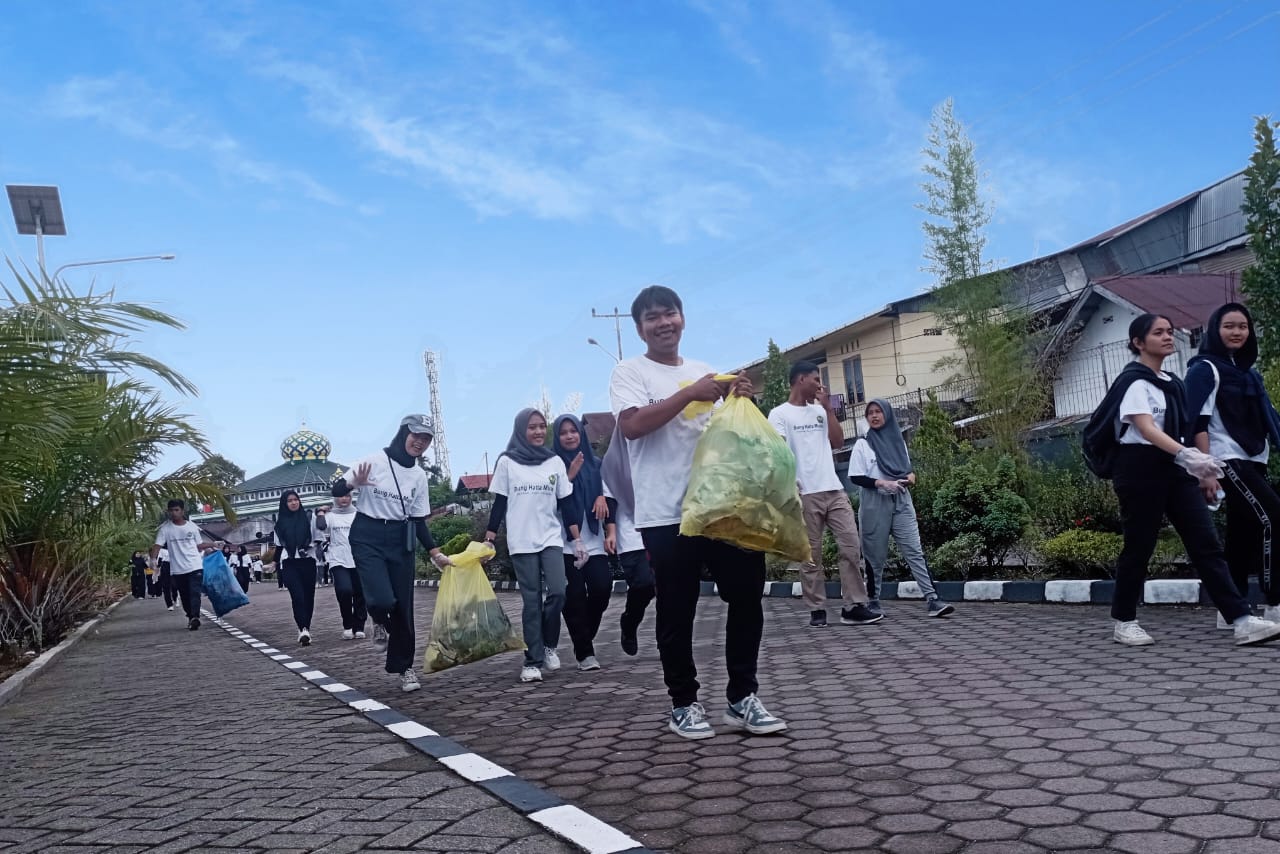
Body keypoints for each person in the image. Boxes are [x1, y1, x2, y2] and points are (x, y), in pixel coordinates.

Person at [610, 285, 787, 740]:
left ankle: (741, 696)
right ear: (640, 328)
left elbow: (727, 433)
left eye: (670, 313)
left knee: (747, 594)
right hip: (664, 511)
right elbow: (631, 427)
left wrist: (739, 395)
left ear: (682, 318)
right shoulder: (630, 372)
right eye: (653, 318)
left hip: (721, 506)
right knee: (677, 607)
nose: (663, 323)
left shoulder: (706, 370)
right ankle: (683, 703)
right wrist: (692, 394)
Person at [1093, 312, 1280, 647]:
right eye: (1158, 333)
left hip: (1176, 469)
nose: (1167, 337)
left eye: (1169, 331)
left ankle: (1239, 619)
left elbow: (1183, 428)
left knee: (1205, 544)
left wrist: (1200, 471)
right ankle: (1124, 620)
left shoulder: (1173, 382)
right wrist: (1187, 455)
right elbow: (1146, 428)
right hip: (1139, 469)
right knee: (1139, 546)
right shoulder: (1134, 381)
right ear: (1139, 342)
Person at [1186, 303, 1280, 627]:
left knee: (1244, 533)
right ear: (1215, 330)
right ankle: (1275, 603)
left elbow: (1269, 418)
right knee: (1273, 518)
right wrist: (1205, 470)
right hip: (1226, 459)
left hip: (1254, 458)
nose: (1237, 332)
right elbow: (1195, 422)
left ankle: (1232, 612)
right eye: (1229, 326)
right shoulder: (1204, 369)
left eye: (1243, 326)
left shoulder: (1249, 374)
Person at [769, 361, 882, 628]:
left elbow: (838, 442)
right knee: (811, 555)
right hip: (804, 492)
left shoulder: (820, 411)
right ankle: (817, 608)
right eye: (815, 379)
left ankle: (853, 606)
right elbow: (779, 452)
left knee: (851, 547)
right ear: (800, 380)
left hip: (833, 489)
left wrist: (829, 409)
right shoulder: (779, 414)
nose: (820, 385)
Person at [346, 414, 453, 693]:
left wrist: (435, 552)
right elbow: (336, 489)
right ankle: (378, 618)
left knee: (404, 607)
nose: (420, 442)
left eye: (426, 438)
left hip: (399, 539)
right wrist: (350, 485)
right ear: (403, 432)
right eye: (415, 435)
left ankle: (405, 667)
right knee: (381, 599)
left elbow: (418, 520)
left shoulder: (418, 476)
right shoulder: (375, 461)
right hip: (367, 534)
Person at [485, 409, 580, 683]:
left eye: (541, 427)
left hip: (550, 537)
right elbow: (500, 504)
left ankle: (549, 644)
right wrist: (490, 537)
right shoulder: (507, 462)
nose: (538, 432)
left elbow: (566, 503)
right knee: (531, 601)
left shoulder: (555, 462)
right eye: (532, 427)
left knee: (559, 591)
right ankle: (532, 661)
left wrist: (578, 539)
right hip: (521, 541)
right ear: (520, 431)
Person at [849, 399, 956, 618]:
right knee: (874, 556)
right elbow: (856, 476)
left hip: (901, 500)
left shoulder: (899, 441)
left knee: (914, 550)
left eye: (879, 412)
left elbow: (906, 469)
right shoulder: (863, 444)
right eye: (871, 413)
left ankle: (933, 600)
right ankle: (874, 601)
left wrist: (910, 477)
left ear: (887, 415)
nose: (875, 416)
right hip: (874, 502)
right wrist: (881, 483)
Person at [552, 414, 615, 671]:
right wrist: (568, 476)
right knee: (574, 595)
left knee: (602, 588)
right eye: (563, 432)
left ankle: (583, 637)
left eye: (573, 431)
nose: (569, 436)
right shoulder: (552, 466)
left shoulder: (596, 464)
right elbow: (548, 502)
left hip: (593, 540)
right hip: (563, 541)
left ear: (580, 434)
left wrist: (601, 497)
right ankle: (585, 653)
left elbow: (610, 497)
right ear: (557, 438)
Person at [600, 421, 654, 657]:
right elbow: (609, 499)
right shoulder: (613, 463)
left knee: (668, 588)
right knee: (643, 584)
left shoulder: (654, 455)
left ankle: (670, 644)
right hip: (630, 536)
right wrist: (610, 532)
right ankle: (629, 622)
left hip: (659, 529)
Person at [150, 500, 220, 630]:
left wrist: (212, 544)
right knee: (184, 595)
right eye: (171, 510)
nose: (174, 513)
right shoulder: (165, 529)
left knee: (195, 592)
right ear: (168, 512)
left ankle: (195, 617)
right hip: (177, 569)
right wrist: (153, 559)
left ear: (182, 511)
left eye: (176, 510)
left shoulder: (192, 527)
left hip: (195, 565)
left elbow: (199, 545)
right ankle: (191, 616)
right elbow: (157, 545)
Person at [274, 490, 320, 646]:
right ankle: (302, 628)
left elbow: (318, 537)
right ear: (284, 504)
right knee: (297, 596)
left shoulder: (309, 518)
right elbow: (279, 546)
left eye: (296, 500)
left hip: (307, 560)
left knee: (308, 597)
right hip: (289, 562)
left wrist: (308, 546)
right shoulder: (279, 524)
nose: (293, 503)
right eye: (289, 501)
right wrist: (273, 563)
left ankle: (306, 627)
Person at [325, 480, 367, 640]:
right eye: (341, 496)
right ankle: (347, 624)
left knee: (360, 592)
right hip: (338, 559)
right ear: (335, 498)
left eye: (347, 496)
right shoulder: (330, 516)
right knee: (344, 590)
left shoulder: (359, 514)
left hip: (358, 558)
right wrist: (320, 514)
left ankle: (359, 625)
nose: (344, 499)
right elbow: (321, 527)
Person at [156, 546, 177, 610]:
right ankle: (169, 605)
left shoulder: (175, 547)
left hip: (175, 565)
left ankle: (175, 597)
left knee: (175, 585)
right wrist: (158, 569)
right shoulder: (162, 550)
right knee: (166, 586)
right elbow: (159, 561)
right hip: (165, 566)